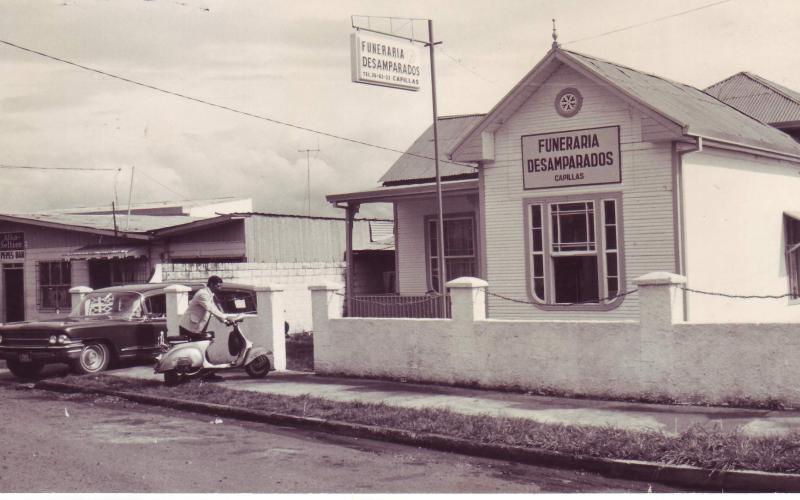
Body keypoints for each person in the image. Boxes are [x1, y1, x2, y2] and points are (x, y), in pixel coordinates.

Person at [179, 275, 233, 381]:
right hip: (189, 327)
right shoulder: (203, 294)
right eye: (218, 286)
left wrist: (224, 321)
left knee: (201, 349)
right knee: (200, 349)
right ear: (212, 285)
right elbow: (211, 308)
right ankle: (206, 375)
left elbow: (214, 309)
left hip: (195, 327)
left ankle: (203, 374)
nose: (220, 288)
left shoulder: (209, 294)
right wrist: (226, 317)